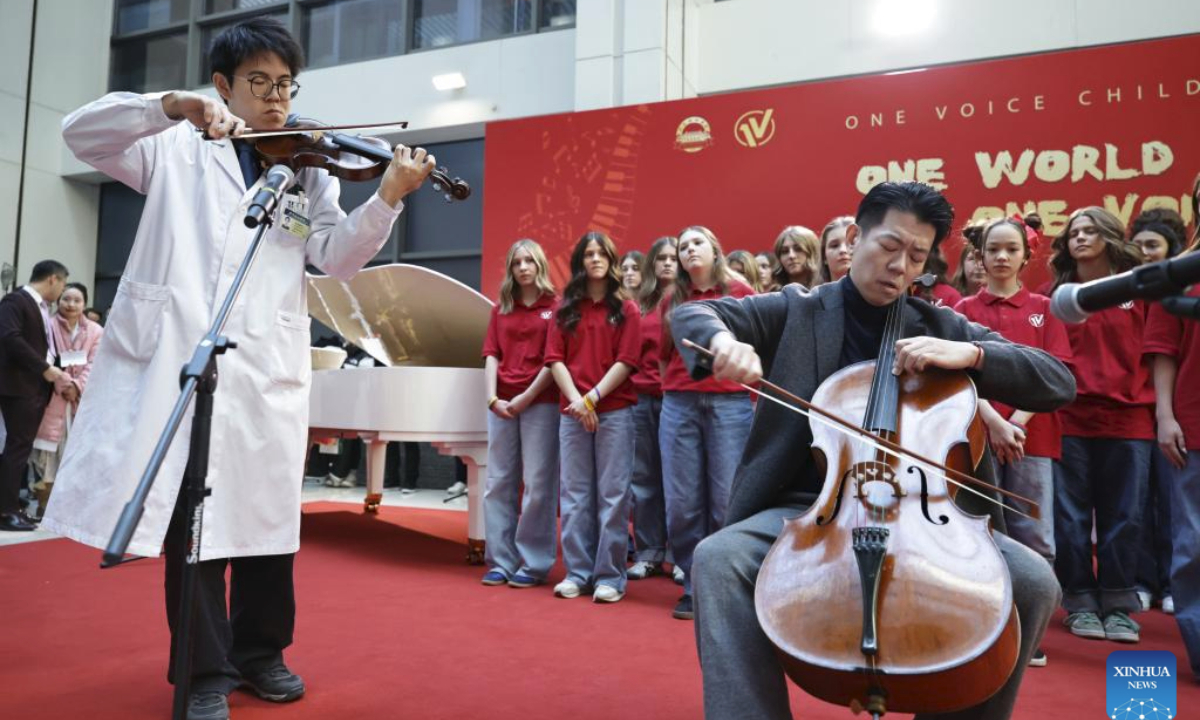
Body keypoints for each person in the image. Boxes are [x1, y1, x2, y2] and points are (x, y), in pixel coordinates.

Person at [41, 17, 434, 720]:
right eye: (259, 83)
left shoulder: (309, 171)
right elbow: (80, 133)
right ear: (222, 84)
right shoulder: (172, 146)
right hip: (181, 363)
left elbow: (336, 257)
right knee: (192, 522)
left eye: (285, 85)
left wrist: (389, 198)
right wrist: (170, 104)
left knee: (266, 520)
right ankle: (201, 675)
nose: (277, 100)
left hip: (264, 370)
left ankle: (261, 654)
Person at [671, 181, 1075, 720]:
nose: (900, 267)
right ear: (856, 237)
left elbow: (1056, 381)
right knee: (718, 559)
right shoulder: (798, 308)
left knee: (1032, 581)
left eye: (916, 256)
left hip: (923, 512)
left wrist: (973, 353)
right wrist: (724, 344)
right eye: (890, 247)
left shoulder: (939, 324)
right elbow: (696, 317)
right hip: (808, 509)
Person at [954, 218, 1073, 668]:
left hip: (1032, 437)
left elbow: (1056, 372)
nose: (1001, 257)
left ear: (1028, 255)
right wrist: (993, 422)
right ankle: (980, 624)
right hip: (973, 435)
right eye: (993, 250)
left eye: (1011, 249)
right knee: (976, 528)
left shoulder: (1045, 307)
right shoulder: (962, 307)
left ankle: (1028, 629)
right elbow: (957, 376)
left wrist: (1016, 422)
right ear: (979, 257)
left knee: (1034, 535)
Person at [1048, 207, 1152, 645]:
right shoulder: (1056, 295)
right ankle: (1080, 601)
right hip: (1070, 418)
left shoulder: (1139, 290)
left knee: (1124, 516)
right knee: (1070, 518)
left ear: (1110, 237)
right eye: (1074, 232)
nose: (1081, 238)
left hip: (1130, 418)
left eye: (1091, 231)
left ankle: (1118, 603)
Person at [659, 226, 756, 620]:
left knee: (725, 499)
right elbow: (665, 355)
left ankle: (723, 586)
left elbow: (756, 348)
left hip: (731, 404)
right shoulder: (672, 299)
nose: (688, 251)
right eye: (682, 247)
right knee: (681, 502)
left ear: (716, 249)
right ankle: (692, 583)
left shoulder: (741, 293)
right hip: (679, 404)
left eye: (697, 243)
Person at [545, 231, 640, 603]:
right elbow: (554, 358)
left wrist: (593, 399)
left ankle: (610, 576)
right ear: (580, 261)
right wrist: (577, 402)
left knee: (613, 496)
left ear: (611, 259)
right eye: (589, 254)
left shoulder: (626, 308)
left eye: (602, 253)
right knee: (574, 495)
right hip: (572, 413)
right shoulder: (566, 307)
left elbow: (627, 360)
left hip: (614, 411)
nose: (595, 259)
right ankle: (578, 572)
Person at [480, 239, 560, 589]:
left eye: (529, 261)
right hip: (501, 404)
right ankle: (500, 560)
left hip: (540, 402)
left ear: (540, 264)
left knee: (538, 485)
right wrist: (491, 399)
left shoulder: (556, 307)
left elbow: (554, 359)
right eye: (517, 262)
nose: (523, 267)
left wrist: (526, 397)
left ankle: (534, 562)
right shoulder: (502, 308)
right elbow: (491, 354)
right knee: (498, 482)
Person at [1143, 248, 1200, 681]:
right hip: (1192, 421)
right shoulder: (1181, 272)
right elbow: (1164, 348)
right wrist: (1165, 414)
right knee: (1193, 545)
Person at [1129, 207, 1188, 614]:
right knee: (1141, 504)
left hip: (1168, 411)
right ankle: (1146, 580)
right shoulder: (1118, 291)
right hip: (1137, 414)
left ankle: (1170, 584)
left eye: (1154, 246)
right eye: (1139, 246)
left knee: (1172, 506)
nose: (1145, 253)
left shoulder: (1178, 286)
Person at [0, 260, 69, 532]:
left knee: (18, 449)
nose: (62, 291)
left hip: (29, 387)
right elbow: (9, 338)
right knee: (17, 449)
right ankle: (6, 511)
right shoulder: (16, 301)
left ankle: (10, 506)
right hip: (18, 387)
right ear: (53, 279)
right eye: (63, 284)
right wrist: (44, 368)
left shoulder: (40, 307)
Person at [30, 282, 104, 518]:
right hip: (52, 398)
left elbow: (95, 363)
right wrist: (63, 384)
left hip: (82, 401)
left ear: (84, 303)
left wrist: (77, 385)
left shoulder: (95, 331)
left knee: (78, 454)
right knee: (47, 455)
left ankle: (70, 509)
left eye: (77, 300)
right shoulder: (47, 326)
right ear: (59, 301)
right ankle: (45, 505)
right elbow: (45, 359)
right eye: (66, 299)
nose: (71, 304)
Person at [628, 236, 678, 580]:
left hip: (678, 398)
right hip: (640, 398)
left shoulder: (691, 299)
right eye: (660, 258)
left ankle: (679, 554)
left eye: (673, 257)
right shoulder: (642, 303)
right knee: (643, 478)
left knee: (679, 480)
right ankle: (648, 552)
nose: (666, 263)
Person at [771, 226, 820, 290]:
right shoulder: (774, 294)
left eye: (798, 249)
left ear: (812, 251)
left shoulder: (827, 289)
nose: (791, 256)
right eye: (785, 251)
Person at [817, 215, 855, 283]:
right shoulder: (814, 293)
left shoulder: (879, 292)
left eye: (852, 243)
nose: (843, 250)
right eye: (834, 245)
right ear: (824, 257)